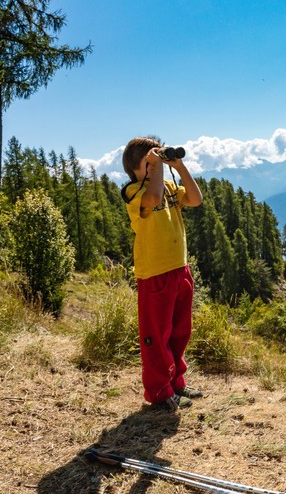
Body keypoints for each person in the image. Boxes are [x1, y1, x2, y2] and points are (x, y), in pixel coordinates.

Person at [121, 136, 203, 411]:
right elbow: (153, 198)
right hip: (154, 274)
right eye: (151, 159)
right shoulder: (132, 192)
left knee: (180, 331)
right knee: (157, 335)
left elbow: (195, 199)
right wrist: (156, 166)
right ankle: (159, 391)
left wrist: (178, 167)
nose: (157, 163)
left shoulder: (167, 187)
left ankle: (176, 381)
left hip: (179, 269)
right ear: (138, 165)